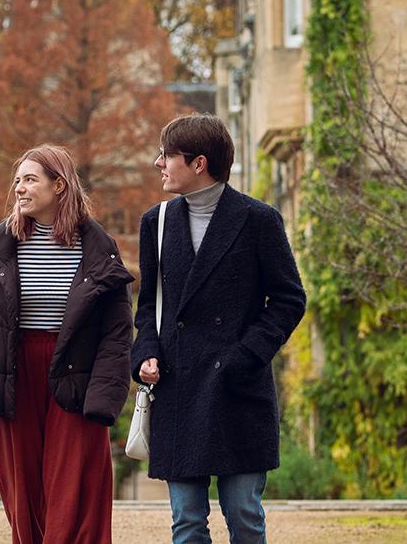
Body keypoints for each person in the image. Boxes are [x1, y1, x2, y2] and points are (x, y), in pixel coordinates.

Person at [132, 114, 307, 544]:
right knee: (186, 523)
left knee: (244, 515)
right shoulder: (155, 223)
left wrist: (243, 356)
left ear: (198, 163)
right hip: (177, 388)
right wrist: (145, 353)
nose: (158, 164)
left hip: (237, 389)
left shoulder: (258, 219)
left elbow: (289, 300)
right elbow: (149, 304)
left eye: (166, 155)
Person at [0, 144, 133, 544]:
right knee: (24, 487)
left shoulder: (98, 246)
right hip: (16, 371)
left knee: (75, 486)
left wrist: (105, 396)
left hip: (76, 371)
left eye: (30, 179)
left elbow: (117, 332)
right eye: (17, 180)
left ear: (59, 184)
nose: (19, 188)